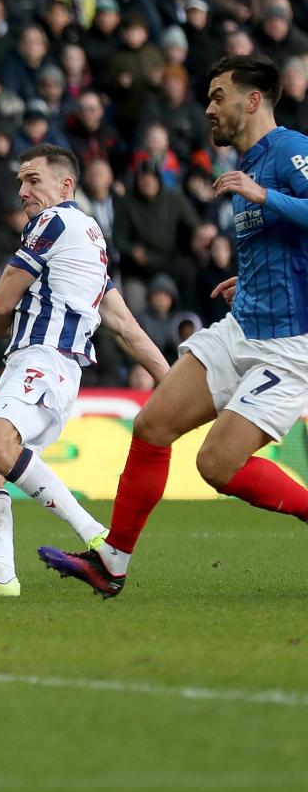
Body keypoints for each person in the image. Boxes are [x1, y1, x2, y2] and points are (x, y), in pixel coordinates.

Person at [42, 55, 308, 598]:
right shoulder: (249, 162)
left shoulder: (289, 150)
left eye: (217, 96)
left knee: (216, 464)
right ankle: (111, 562)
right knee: (152, 425)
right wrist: (251, 278)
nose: (208, 108)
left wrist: (264, 197)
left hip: (288, 345)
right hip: (242, 327)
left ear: (252, 100)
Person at [0, 144, 168, 598]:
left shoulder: (53, 222)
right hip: (51, 368)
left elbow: (0, 301)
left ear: (66, 186)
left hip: (42, 359)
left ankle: (96, 534)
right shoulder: (91, 243)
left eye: (33, 180)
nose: (22, 191)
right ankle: (0, 574)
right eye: (20, 182)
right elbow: (126, 327)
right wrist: (175, 380)